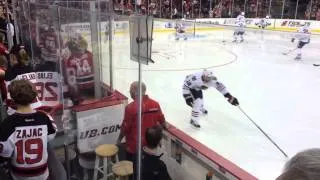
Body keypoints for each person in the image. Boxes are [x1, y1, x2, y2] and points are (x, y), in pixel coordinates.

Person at [0, 79, 57, 180]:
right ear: (33, 96)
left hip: (19, 176)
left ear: (13, 97)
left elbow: (5, 153)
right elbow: (51, 136)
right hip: (43, 175)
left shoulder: (8, 123)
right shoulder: (44, 118)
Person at [117, 81, 166, 162]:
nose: (130, 92)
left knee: (133, 170)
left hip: (134, 148)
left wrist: (119, 140)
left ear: (134, 91)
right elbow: (163, 123)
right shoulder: (155, 104)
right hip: (150, 147)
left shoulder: (130, 108)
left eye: (130, 90)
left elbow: (125, 128)